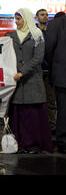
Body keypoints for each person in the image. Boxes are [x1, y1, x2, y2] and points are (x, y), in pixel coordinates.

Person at [7, 8, 54, 154]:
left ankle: (34, 145)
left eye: (19, 19)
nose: (17, 22)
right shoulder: (11, 36)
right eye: (15, 19)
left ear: (26, 19)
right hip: (16, 83)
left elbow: (38, 58)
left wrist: (22, 72)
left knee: (32, 115)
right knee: (18, 115)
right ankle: (20, 144)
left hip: (31, 81)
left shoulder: (37, 35)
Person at [45, 13, 66, 153]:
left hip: (61, 73)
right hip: (62, 75)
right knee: (63, 111)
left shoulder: (55, 25)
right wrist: (56, 67)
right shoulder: (56, 24)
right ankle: (63, 142)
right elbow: (48, 51)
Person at [36, 9, 56, 134]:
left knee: (51, 100)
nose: (45, 17)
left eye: (47, 15)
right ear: (37, 17)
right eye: (42, 15)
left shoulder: (52, 32)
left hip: (50, 70)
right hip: (38, 71)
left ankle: (52, 126)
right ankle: (40, 126)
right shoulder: (34, 32)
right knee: (38, 100)